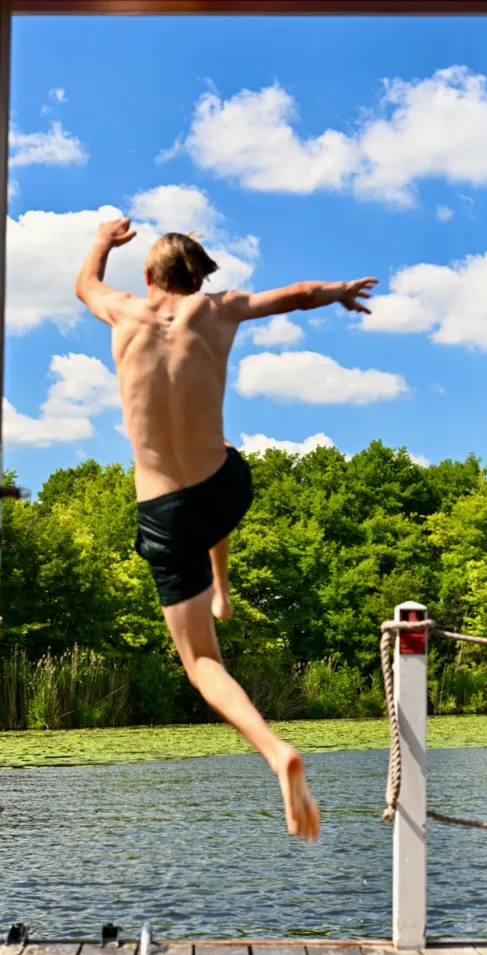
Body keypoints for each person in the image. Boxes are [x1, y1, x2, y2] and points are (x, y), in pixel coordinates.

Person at [75, 218, 378, 842]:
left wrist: (104, 240)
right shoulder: (219, 309)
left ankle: (274, 750)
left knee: (202, 662)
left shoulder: (124, 313)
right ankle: (223, 584)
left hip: (163, 514)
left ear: (150, 276)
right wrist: (341, 290)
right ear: (197, 276)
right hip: (222, 489)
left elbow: (84, 284)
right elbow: (295, 293)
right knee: (223, 455)